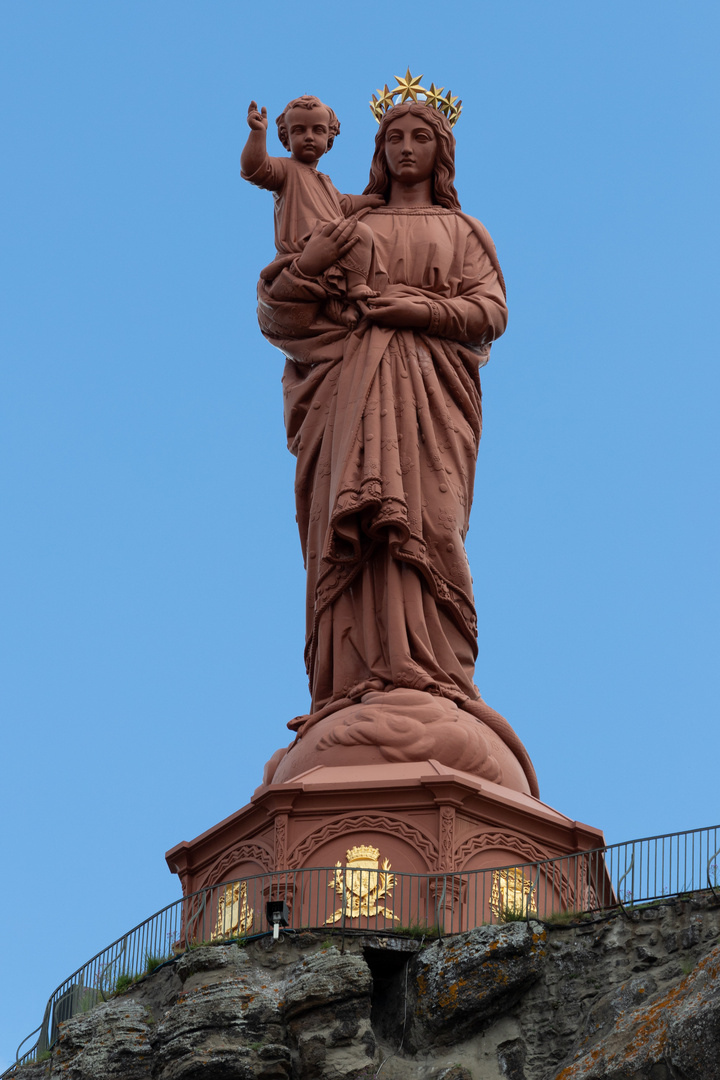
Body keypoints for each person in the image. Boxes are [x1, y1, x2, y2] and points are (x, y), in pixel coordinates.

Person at [256, 100, 538, 795]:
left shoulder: (462, 229)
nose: (407, 148)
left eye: (421, 138)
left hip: (432, 400)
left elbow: (490, 312)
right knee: (356, 534)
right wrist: (315, 265)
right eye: (395, 138)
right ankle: (355, 682)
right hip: (349, 398)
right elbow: (281, 309)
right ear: (379, 151)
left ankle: (438, 678)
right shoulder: (350, 225)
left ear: (442, 154)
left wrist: (411, 309)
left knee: (431, 526)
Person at [241, 95, 383, 312]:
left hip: (333, 239)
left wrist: (371, 200)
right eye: (299, 130)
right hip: (303, 245)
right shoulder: (285, 169)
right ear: (286, 139)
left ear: (329, 140)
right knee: (359, 231)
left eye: (317, 130)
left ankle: (354, 287)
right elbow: (255, 168)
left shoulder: (324, 180)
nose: (309, 137)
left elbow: (343, 204)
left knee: (361, 233)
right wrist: (258, 133)